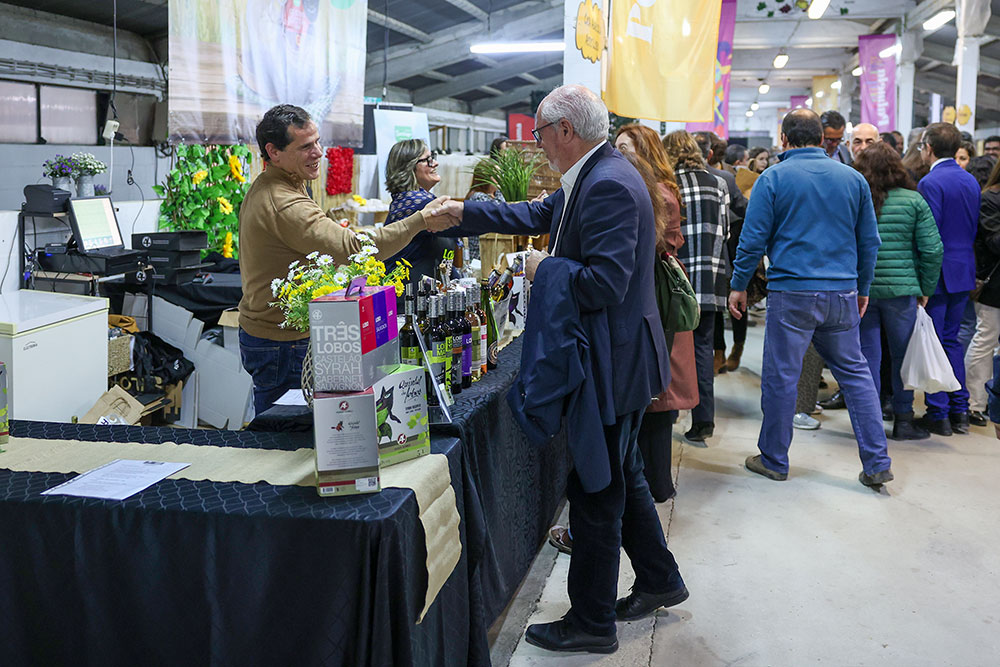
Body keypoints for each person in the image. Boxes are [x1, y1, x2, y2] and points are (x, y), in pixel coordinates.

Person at [430, 84, 686, 655]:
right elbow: (538, 211)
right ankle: (660, 577)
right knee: (621, 475)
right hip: (617, 355)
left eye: (541, 135)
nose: (539, 147)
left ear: (565, 130)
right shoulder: (595, 176)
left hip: (614, 360)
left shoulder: (610, 185)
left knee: (595, 491)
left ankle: (592, 623)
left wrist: (545, 269)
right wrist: (461, 212)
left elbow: (603, 283)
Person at [237, 105, 455, 414]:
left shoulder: (279, 185)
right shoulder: (284, 203)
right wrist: (419, 221)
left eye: (317, 142)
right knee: (285, 439)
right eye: (305, 147)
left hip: (275, 338)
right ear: (273, 151)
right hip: (283, 344)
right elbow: (354, 248)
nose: (318, 153)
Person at [729, 108, 893, 488]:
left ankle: (773, 459)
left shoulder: (772, 179)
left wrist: (738, 284)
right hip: (842, 293)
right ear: (823, 139)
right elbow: (870, 242)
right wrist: (863, 288)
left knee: (782, 376)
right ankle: (877, 461)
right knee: (856, 376)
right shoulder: (853, 180)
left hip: (792, 294)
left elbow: (752, 241)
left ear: (783, 140)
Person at [614, 123, 697, 500]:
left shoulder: (659, 193)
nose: (619, 155)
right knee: (656, 397)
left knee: (659, 398)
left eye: (627, 149)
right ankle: (655, 484)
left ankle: (657, 485)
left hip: (657, 302)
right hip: (652, 299)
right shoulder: (647, 189)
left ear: (646, 152)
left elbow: (660, 243)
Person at [853, 143, 944, 440]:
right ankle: (903, 421)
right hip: (902, 292)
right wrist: (925, 287)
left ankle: (868, 423)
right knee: (903, 357)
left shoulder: (858, 198)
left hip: (862, 291)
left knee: (866, 358)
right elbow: (932, 249)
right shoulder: (914, 201)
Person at [914, 122, 982, 436]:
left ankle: (938, 412)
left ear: (928, 147)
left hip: (938, 273)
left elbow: (930, 237)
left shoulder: (930, 182)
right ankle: (959, 410)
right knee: (952, 341)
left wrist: (924, 281)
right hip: (963, 269)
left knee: (933, 343)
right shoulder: (969, 181)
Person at [663, 130, 730, 442]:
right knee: (704, 349)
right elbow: (726, 232)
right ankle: (703, 422)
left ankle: (671, 411)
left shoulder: (667, 186)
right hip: (713, 279)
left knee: (673, 349)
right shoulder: (718, 183)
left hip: (678, 281)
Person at [383, 139, 455, 281]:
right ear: (409, 168)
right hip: (411, 297)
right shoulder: (418, 204)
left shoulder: (408, 201)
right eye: (427, 160)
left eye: (432, 157)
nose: (435, 163)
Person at [964, 159, 1000, 427]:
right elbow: (995, 242)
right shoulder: (990, 198)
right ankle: (975, 402)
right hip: (993, 285)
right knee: (986, 339)